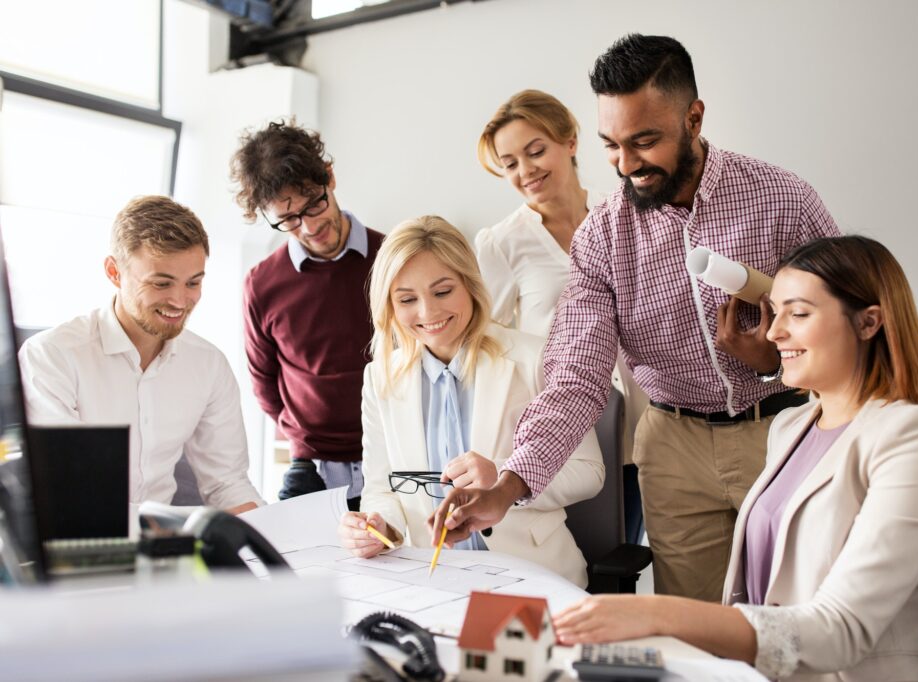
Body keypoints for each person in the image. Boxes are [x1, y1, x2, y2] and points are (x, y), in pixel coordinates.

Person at [431, 34, 841, 602]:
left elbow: (848, 320)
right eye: (611, 145)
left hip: (785, 429)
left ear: (693, 118)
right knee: (694, 624)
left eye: (645, 141)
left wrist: (778, 361)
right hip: (672, 450)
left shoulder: (782, 198)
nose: (627, 165)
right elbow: (575, 379)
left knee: (800, 608)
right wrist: (509, 486)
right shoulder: (602, 237)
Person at [553, 235, 918, 682]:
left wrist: (657, 613)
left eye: (799, 313)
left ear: (868, 323)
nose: (774, 332)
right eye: (777, 311)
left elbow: (841, 630)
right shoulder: (791, 427)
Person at [337, 216, 604, 587]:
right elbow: (382, 488)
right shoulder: (380, 378)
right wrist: (381, 527)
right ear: (389, 305)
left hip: (529, 575)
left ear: (470, 284)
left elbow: (589, 472)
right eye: (408, 299)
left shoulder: (533, 358)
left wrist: (503, 475)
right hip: (430, 581)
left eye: (443, 291)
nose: (428, 313)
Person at [474, 89, 647, 543]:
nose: (526, 171)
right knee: (579, 559)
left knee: (628, 552)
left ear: (570, 141)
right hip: (565, 433)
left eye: (535, 151)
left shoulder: (623, 217)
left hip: (641, 423)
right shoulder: (501, 243)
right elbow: (482, 341)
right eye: (510, 163)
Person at [19, 196, 263, 512]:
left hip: (164, 548)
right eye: (161, 283)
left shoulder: (209, 365)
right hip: (77, 543)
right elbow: (70, 493)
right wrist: (178, 528)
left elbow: (227, 483)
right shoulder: (52, 357)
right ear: (114, 272)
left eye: (193, 283)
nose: (180, 301)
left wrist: (269, 538)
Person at [231, 120, 384, 508]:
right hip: (310, 462)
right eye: (289, 219)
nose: (310, 226)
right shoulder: (262, 284)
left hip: (393, 452)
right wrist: (299, 432)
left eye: (314, 204)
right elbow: (264, 382)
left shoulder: (393, 258)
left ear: (329, 179)